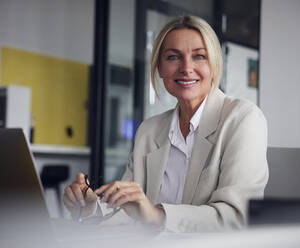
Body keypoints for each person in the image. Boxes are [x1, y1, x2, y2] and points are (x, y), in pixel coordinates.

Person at [63, 15, 268, 232]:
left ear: (215, 66)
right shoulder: (149, 131)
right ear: (159, 67)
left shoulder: (243, 119)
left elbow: (236, 217)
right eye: (173, 57)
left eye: (199, 56)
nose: (186, 68)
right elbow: (129, 209)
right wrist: (92, 208)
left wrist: (156, 214)